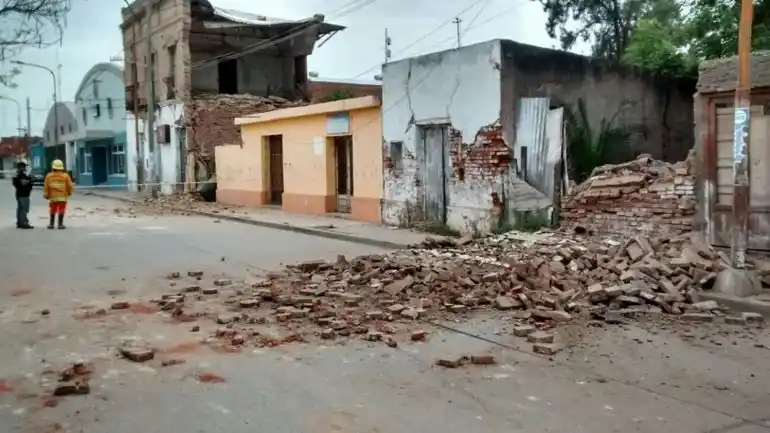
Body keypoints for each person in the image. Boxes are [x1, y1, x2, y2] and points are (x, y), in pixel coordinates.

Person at [43, 159, 73, 229]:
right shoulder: (65, 176)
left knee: (52, 210)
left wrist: (46, 194)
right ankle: (60, 224)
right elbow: (70, 185)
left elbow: (46, 186)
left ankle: (51, 224)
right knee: (61, 209)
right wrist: (69, 193)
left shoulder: (49, 176)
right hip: (62, 197)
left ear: (53, 167)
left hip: (53, 197)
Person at [12, 160, 33, 229]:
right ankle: (24, 223)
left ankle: (19, 222)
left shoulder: (17, 174)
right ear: (22, 167)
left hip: (19, 193)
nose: (25, 168)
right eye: (24, 166)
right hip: (23, 194)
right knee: (24, 209)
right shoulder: (21, 175)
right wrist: (30, 180)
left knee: (20, 208)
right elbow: (24, 183)